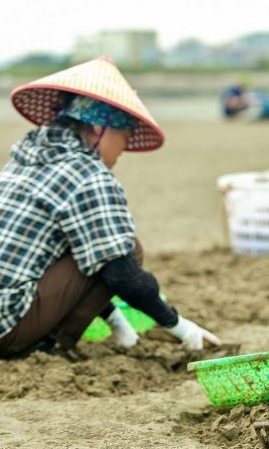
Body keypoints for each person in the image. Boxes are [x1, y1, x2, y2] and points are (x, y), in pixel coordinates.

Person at [0, 56, 222, 359]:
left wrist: (116, 321)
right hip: (7, 328)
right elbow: (120, 273)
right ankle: (47, 345)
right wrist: (179, 326)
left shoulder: (27, 157)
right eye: (124, 136)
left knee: (91, 246)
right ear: (98, 128)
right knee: (127, 249)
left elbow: (77, 257)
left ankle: (57, 335)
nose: (123, 149)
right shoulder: (88, 175)